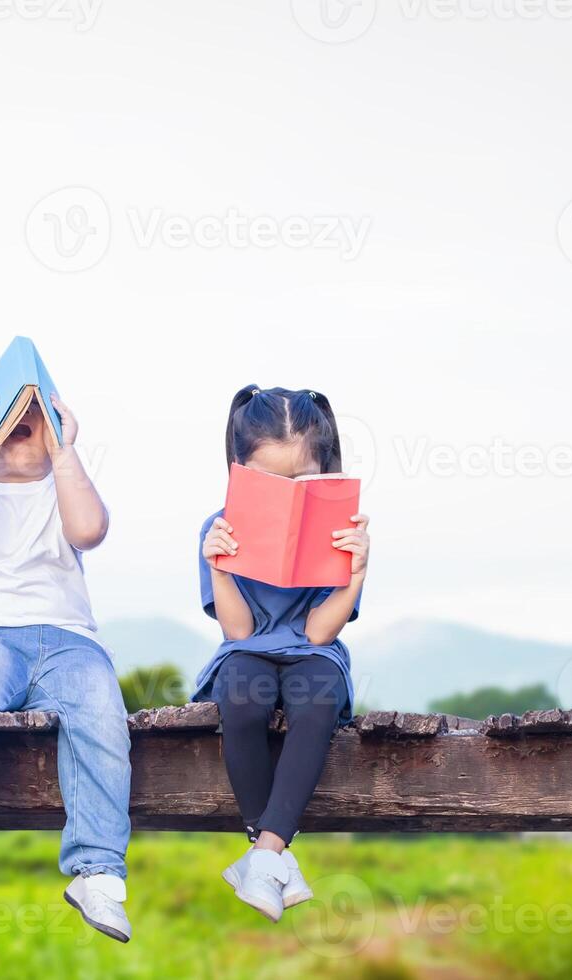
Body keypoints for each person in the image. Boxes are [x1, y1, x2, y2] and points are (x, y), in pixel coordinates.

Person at [0, 387, 132, 943]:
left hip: (66, 639)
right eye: (3, 421)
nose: (20, 425)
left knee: (101, 710)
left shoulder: (65, 489)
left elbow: (90, 530)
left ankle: (100, 868)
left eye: (34, 420)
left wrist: (64, 454)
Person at [194, 385, 370, 922]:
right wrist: (221, 569)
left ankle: (263, 853)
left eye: (301, 480)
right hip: (248, 648)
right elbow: (239, 631)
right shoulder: (217, 528)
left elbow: (318, 634)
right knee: (242, 700)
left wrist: (355, 574)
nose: (288, 495)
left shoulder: (342, 531)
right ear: (238, 469)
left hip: (313, 653)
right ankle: (272, 855)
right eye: (270, 482)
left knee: (315, 703)